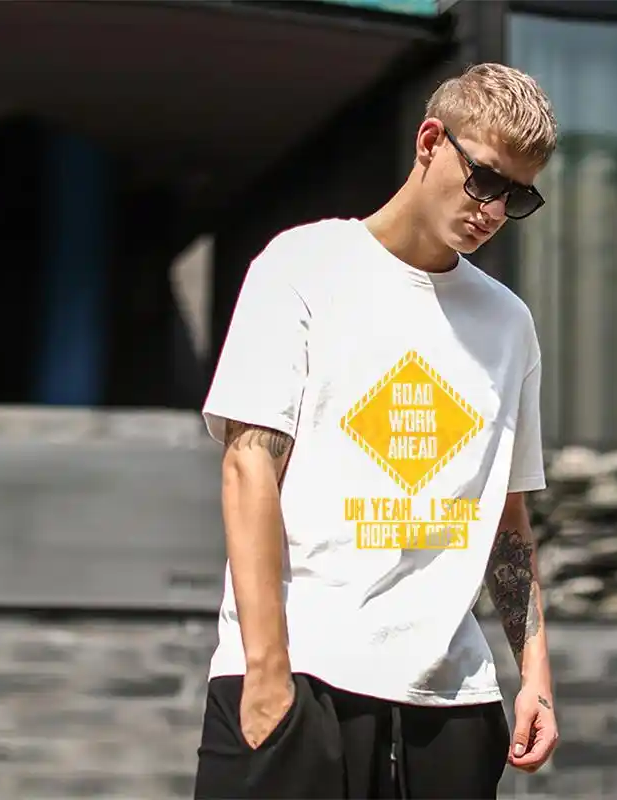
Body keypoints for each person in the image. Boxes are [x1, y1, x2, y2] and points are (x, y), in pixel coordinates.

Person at [194, 62, 560, 800]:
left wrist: (536, 678)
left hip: (450, 705)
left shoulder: (507, 323)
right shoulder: (304, 266)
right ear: (430, 142)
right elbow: (248, 466)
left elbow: (506, 517)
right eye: (484, 180)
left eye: (517, 196)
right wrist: (266, 672)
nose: (493, 210)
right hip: (301, 679)